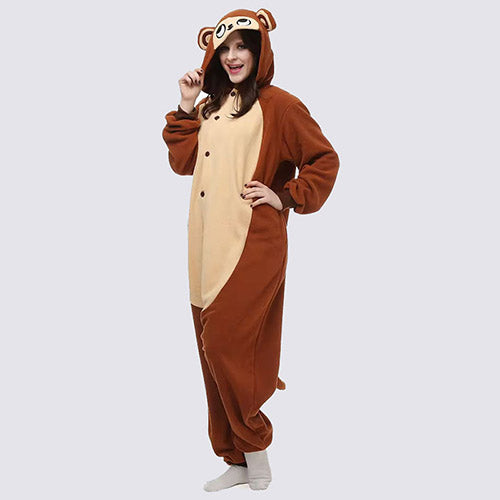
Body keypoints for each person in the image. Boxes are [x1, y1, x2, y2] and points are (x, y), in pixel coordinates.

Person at [162, 8, 340, 492]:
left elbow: (323, 159)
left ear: (260, 50)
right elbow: (182, 161)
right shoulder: (210, 107)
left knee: (225, 343)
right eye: (224, 48)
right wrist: (186, 104)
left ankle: (256, 449)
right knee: (210, 351)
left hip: (252, 243)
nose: (233, 56)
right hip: (205, 244)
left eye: (243, 46)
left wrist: (284, 196)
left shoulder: (281, 105)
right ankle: (235, 458)